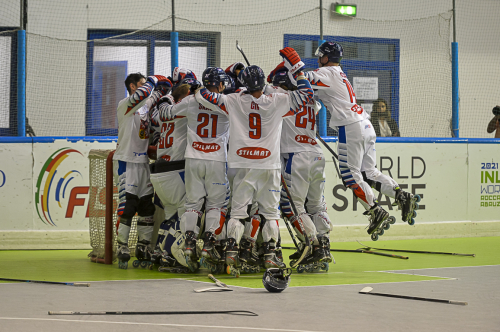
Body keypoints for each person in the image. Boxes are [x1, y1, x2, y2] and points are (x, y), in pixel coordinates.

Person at [190, 47, 314, 274]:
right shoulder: (277, 100)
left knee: (237, 212)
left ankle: (231, 251)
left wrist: (201, 86)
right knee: (270, 214)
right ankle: (269, 253)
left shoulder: (234, 99)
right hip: (269, 166)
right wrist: (298, 69)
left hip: (241, 165)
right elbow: (307, 95)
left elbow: (205, 95)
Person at [294, 42, 420, 239]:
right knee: (368, 172)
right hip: (365, 125)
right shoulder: (339, 74)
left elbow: (300, 79)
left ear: (327, 57)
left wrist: (291, 66)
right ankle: (401, 196)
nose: (318, 58)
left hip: (350, 127)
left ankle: (375, 210)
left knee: (350, 175)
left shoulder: (326, 73)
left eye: (321, 55)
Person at [159, 68, 230, 272]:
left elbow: (165, 114)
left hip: (192, 159)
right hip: (217, 160)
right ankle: (209, 242)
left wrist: (165, 96)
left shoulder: (191, 100)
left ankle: (189, 243)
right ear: (220, 84)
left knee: (192, 205)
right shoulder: (227, 102)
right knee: (216, 204)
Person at [267, 69, 334, 268]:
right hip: (316, 155)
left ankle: (312, 245)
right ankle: (323, 245)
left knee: (293, 207)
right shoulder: (312, 102)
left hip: (296, 157)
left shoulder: (282, 99)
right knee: (317, 206)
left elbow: (268, 87)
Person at [113, 72, 172, 269]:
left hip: (143, 161)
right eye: (141, 83)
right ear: (132, 86)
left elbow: (154, 96)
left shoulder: (145, 106)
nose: (146, 86)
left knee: (147, 206)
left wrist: (165, 87)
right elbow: (146, 92)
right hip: (126, 161)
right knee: (128, 205)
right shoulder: (126, 104)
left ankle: (143, 245)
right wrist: (153, 80)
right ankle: (122, 245)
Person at [148, 81, 193, 271]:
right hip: (175, 172)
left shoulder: (163, 114)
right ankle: (174, 252)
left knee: (170, 216)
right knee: (187, 214)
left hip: (158, 173)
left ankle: (161, 253)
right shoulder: (184, 111)